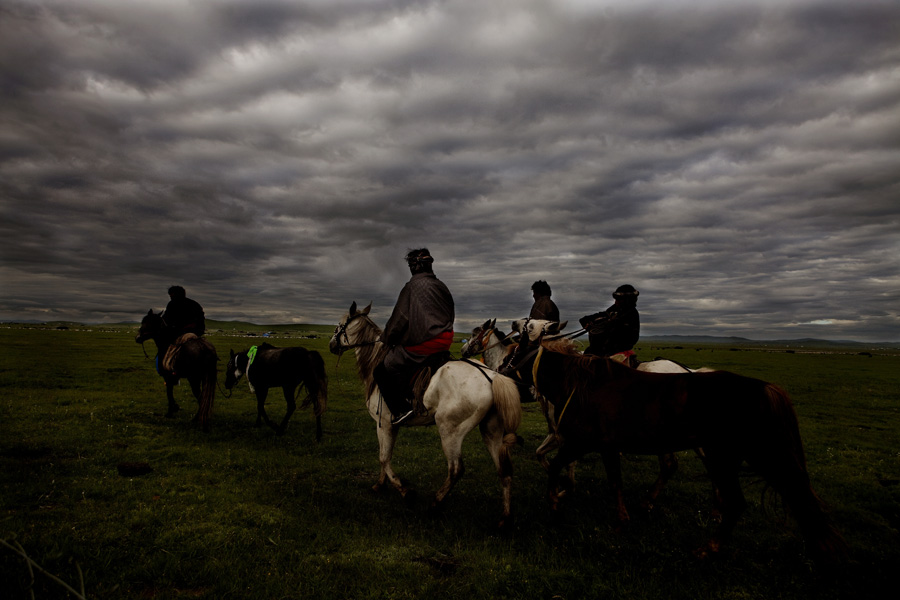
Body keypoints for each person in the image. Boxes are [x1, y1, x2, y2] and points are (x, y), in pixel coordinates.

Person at [374, 248, 455, 425]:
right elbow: (450, 314)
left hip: (425, 344)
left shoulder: (411, 287)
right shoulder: (442, 286)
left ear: (415, 266)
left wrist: (387, 339)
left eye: (411, 264)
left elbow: (399, 320)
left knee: (381, 370)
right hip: (446, 340)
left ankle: (401, 410)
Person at [579, 284, 640, 365]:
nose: (616, 302)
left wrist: (601, 326)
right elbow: (602, 315)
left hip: (616, 354)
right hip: (598, 352)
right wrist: (586, 321)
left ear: (627, 300)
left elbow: (630, 339)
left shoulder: (632, 315)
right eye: (616, 299)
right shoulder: (614, 310)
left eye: (619, 299)